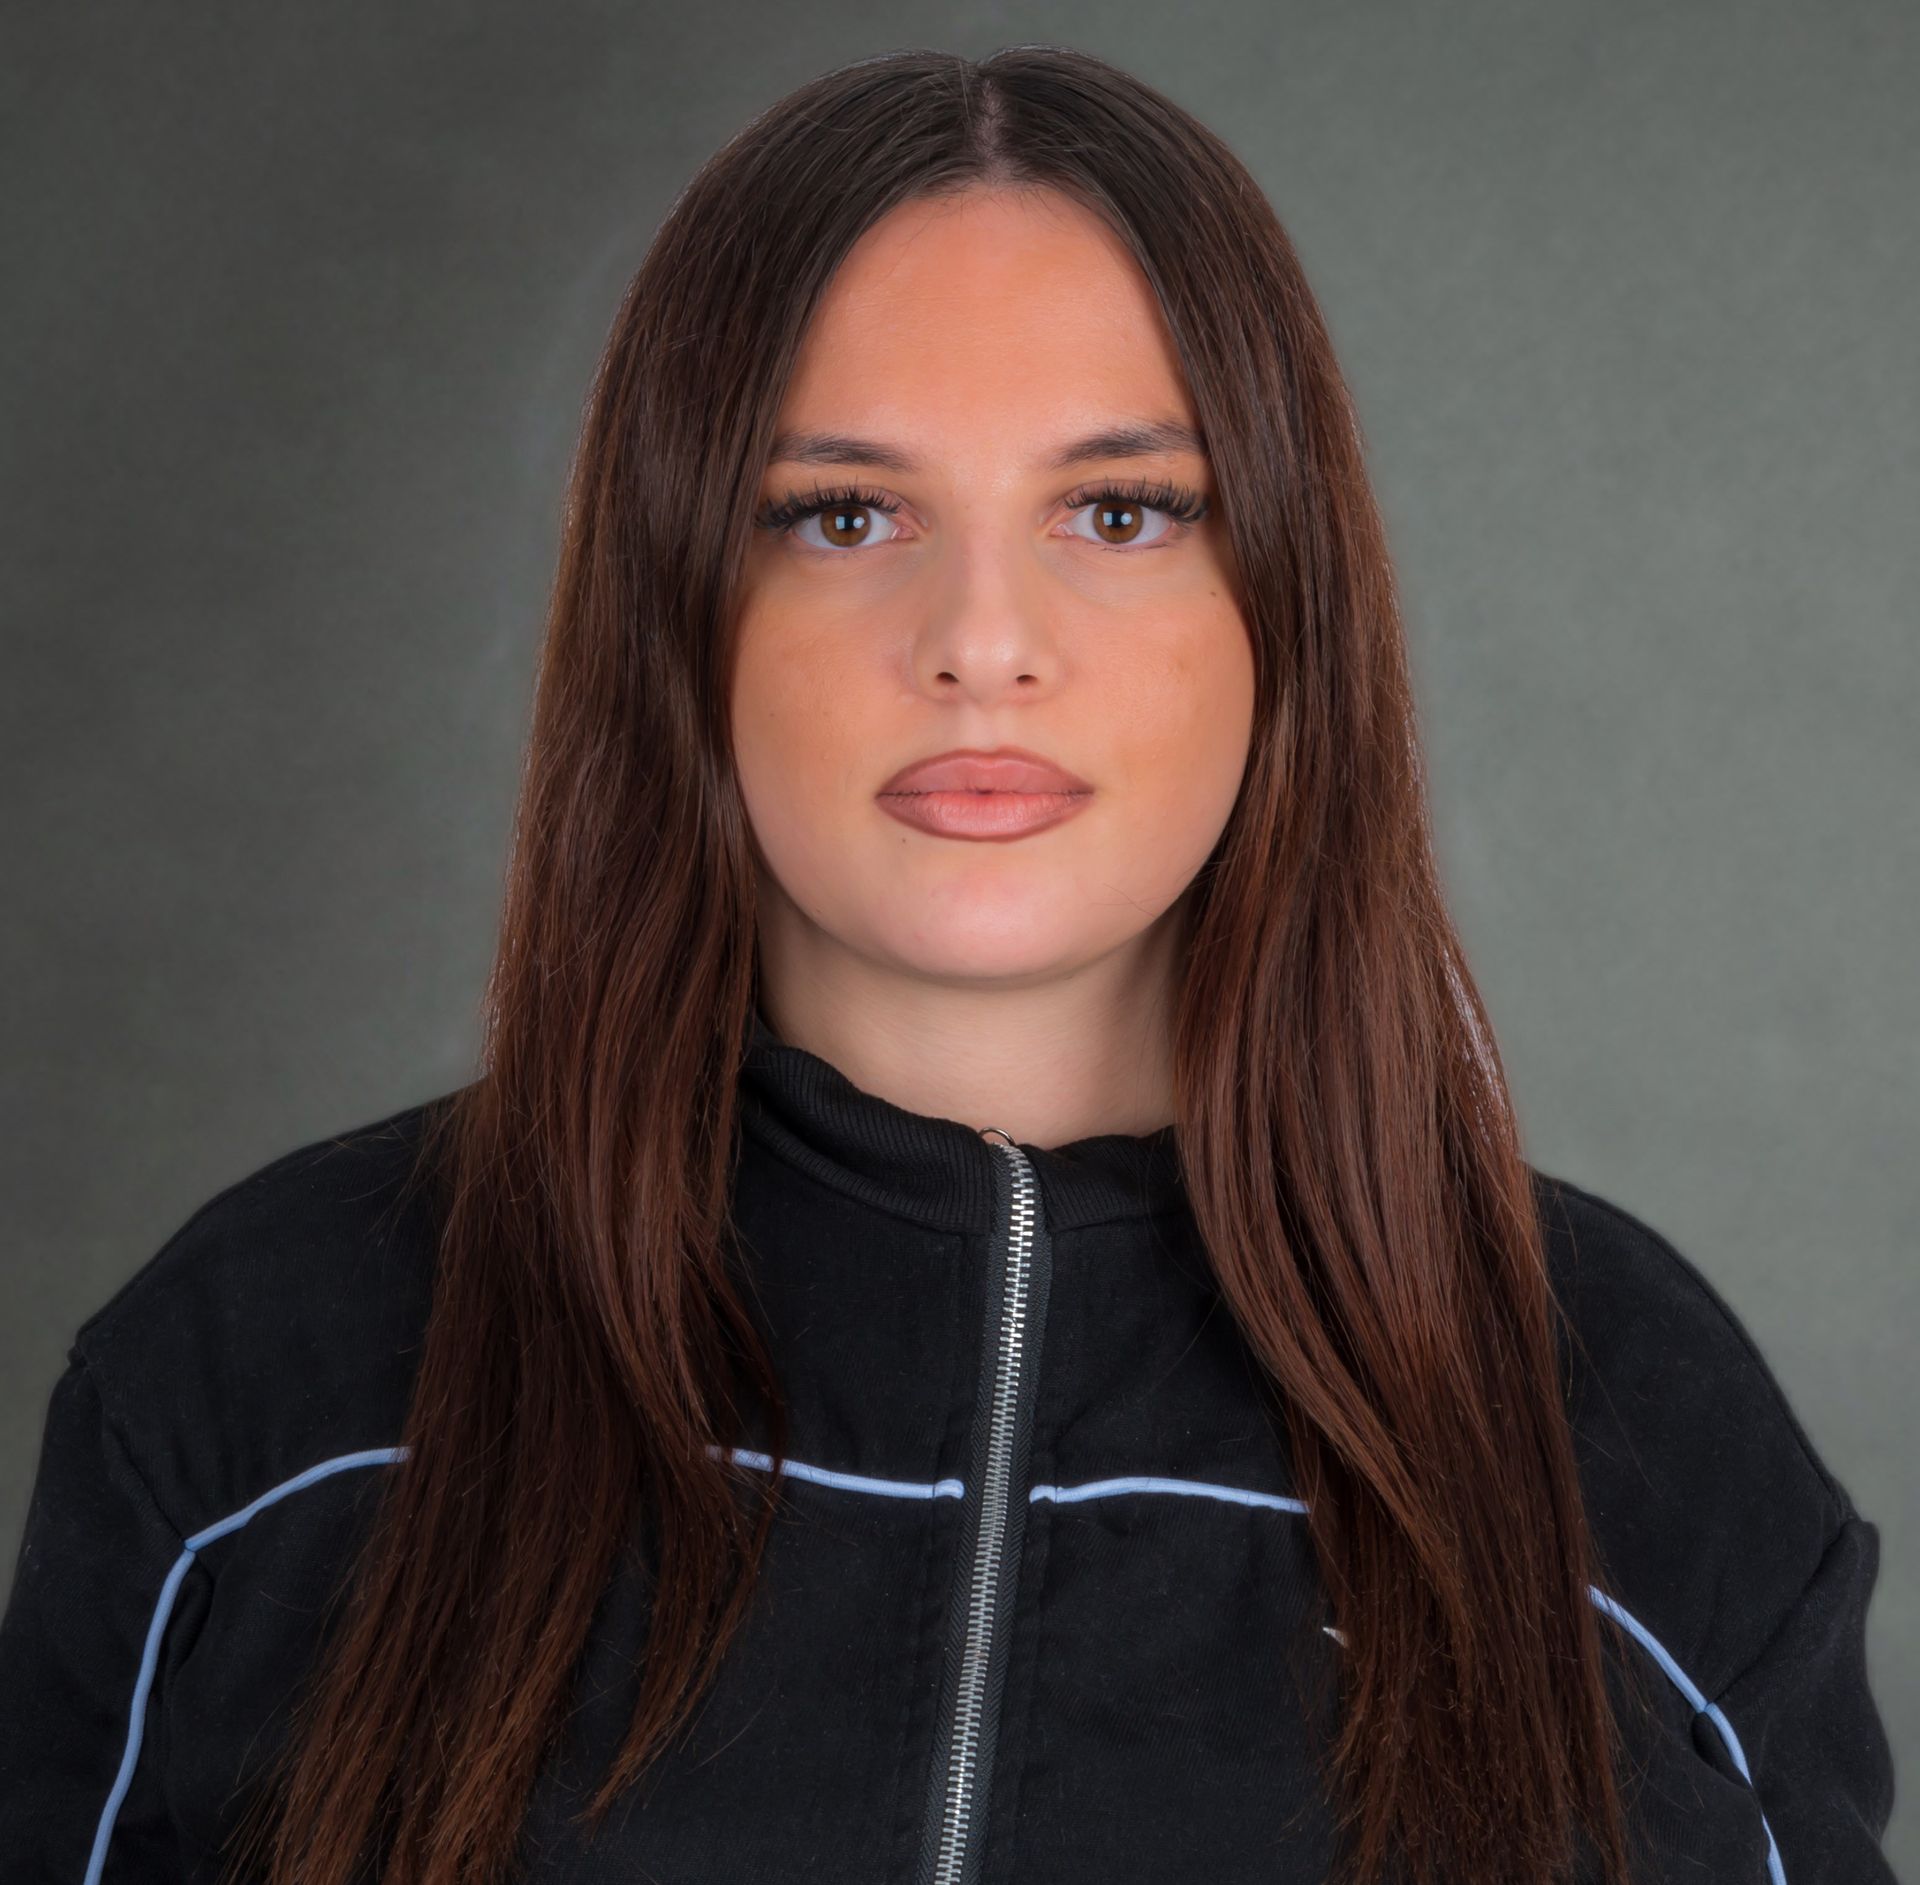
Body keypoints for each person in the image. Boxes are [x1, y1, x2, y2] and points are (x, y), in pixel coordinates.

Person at [0, 43, 1897, 1885]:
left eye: (1120, 510)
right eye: (846, 514)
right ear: (679, 606)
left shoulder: (1643, 1441)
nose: (983, 639)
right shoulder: (261, 1380)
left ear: (1285, 604)